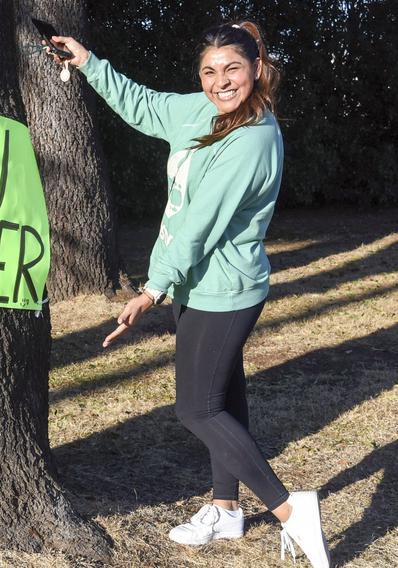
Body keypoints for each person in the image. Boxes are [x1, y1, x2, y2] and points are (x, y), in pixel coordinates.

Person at [49, 22, 331, 568]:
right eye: (209, 71)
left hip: (224, 289)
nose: (220, 81)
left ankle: (290, 509)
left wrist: (152, 289)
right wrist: (87, 61)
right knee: (222, 397)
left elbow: (201, 222)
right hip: (197, 283)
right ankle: (225, 510)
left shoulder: (253, 138)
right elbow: (145, 105)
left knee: (197, 408)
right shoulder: (202, 113)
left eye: (232, 69)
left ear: (257, 69)